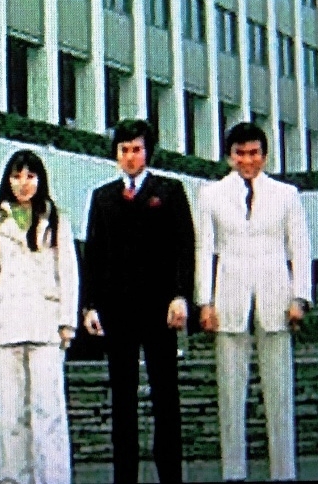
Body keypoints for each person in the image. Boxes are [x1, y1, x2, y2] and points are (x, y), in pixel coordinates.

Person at [195, 122, 312, 482]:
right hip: (229, 297)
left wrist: (300, 297)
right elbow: (204, 250)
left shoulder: (286, 194)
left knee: (280, 392)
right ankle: (234, 473)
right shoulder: (210, 195)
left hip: (276, 297)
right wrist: (205, 302)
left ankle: (284, 472)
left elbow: (300, 248)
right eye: (240, 154)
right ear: (229, 156)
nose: (248, 160)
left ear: (265, 155)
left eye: (254, 153)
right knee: (230, 394)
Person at [81, 119, 195, 483]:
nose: (130, 156)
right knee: (122, 401)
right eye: (124, 150)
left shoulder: (170, 191)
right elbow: (94, 254)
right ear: (116, 154)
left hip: (161, 310)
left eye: (137, 149)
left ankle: (170, 476)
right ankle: (124, 477)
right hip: (117, 311)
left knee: (166, 398)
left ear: (148, 152)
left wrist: (181, 296)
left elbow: (184, 248)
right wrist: (89, 305)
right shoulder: (102, 197)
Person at [0, 149, 78, 484]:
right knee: (9, 413)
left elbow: (68, 271)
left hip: (45, 322)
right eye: (17, 176)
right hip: (6, 322)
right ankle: (12, 479)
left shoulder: (56, 218)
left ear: (40, 179)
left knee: (48, 410)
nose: (23, 183)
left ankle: (53, 478)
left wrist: (67, 321)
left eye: (30, 176)